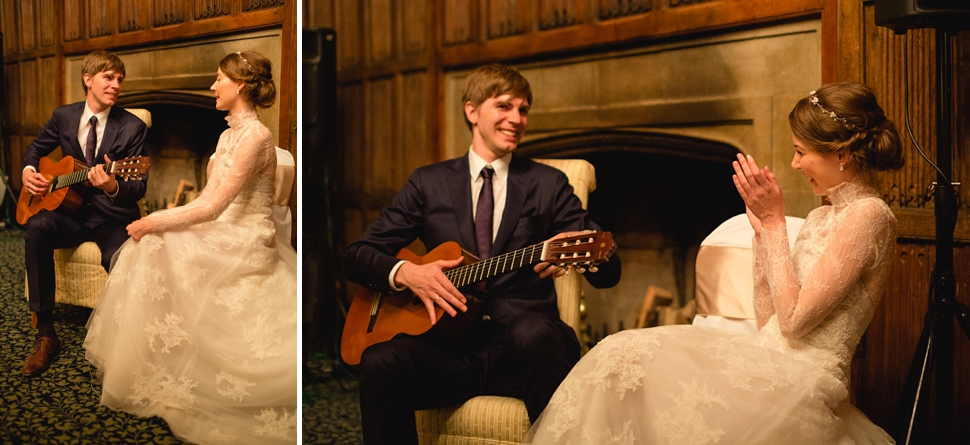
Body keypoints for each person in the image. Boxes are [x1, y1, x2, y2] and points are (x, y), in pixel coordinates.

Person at [527, 82, 903, 444]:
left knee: (632, 360)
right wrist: (761, 236)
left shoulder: (870, 215)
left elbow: (794, 322)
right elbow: (769, 320)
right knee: (618, 354)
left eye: (801, 151)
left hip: (804, 383)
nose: (794, 163)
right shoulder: (823, 217)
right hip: (767, 363)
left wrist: (774, 225)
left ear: (842, 154)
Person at [342, 63, 622, 445]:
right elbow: (358, 255)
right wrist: (408, 273)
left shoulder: (548, 184)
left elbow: (607, 271)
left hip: (521, 350)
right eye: (504, 106)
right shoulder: (429, 182)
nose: (516, 119)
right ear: (472, 111)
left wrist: (592, 252)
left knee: (535, 333)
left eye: (523, 110)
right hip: (447, 350)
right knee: (380, 363)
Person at [82, 51, 297, 444]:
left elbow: (214, 207)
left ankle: (184, 366)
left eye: (219, 79)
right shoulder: (228, 134)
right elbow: (208, 202)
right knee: (152, 244)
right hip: (220, 228)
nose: (213, 86)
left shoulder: (257, 138)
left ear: (242, 86)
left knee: (154, 241)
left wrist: (153, 220)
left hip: (245, 239)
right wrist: (156, 225)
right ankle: (162, 363)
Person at [21, 50, 148, 377]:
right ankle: (46, 333)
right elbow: (36, 148)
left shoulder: (132, 127)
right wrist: (29, 169)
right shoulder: (63, 116)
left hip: (110, 216)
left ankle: (125, 340)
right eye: (109, 77)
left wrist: (110, 186)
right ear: (88, 79)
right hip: (70, 213)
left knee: (120, 256)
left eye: (120, 79)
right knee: (36, 227)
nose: (116, 84)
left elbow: (139, 187)